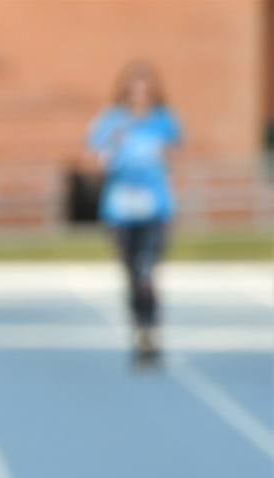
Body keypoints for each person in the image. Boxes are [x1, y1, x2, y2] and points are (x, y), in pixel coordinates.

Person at [86, 61, 183, 367]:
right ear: (125, 91)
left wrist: (158, 156)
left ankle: (151, 331)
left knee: (147, 273)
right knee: (131, 273)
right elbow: (93, 158)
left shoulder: (163, 121)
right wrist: (112, 149)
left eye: (145, 89)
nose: (140, 95)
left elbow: (175, 154)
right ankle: (138, 328)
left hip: (155, 206)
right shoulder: (111, 121)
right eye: (134, 89)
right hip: (120, 208)